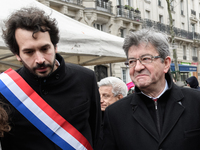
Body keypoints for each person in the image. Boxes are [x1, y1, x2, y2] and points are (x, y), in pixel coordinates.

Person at [0, 7, 101, 150]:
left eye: (45, 49)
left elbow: (97, 132)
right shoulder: (5, 88)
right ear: (17, 54)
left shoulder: (85, 78)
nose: (40, 59)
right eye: (29, 52)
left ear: (55, 46)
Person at [102, 28, 200, 150]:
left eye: (146, 59)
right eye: (132, 61)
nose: (137, 67)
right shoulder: (114, 114)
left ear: (166, 63)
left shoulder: (196, 102)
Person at [97, 76, 128, 150]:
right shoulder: (95, 120)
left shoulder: (130, 121)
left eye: (106, 96)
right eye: (99, 96)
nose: (100, 100)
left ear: (119, 98)